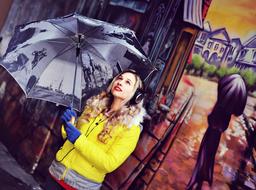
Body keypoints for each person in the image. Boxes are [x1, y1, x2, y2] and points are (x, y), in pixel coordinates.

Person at [44, 69, 146, 190]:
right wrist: (68, 125)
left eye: (127, 82)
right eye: (119, 78)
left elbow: (109, 163)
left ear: (136, 96)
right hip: (55, 173)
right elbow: (69, 138)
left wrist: (78, 139)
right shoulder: (95, 106)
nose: (120, 82)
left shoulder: (130, 128)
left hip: (80, 186)